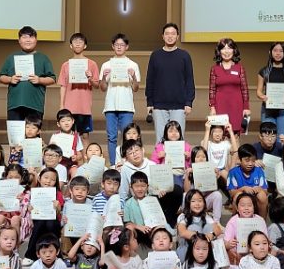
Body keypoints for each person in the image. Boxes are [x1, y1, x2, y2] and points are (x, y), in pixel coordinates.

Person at [145, 23, 195, 140]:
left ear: (177, 36)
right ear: (162, 36)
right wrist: (149, 102)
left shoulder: (184, 56)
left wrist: (189, 102)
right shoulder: (155, 55)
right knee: (160, 139)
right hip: (158, 105)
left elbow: (189, 80)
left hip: (179, 105)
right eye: (167, 34)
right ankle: (160, 159)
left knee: (177, 138)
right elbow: (150, 79)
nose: (170, 36)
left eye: (173, 34)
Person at [0, 25, 56, 121]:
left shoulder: (43, 58)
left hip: (35, 104)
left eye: (31, 37)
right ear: (19, 40)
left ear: (36, 40)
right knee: (15, 135)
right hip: (15, 104)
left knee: (33, 135)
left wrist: (39, 80)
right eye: (24, 37)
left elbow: (52, 79)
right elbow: (1, 77)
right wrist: (10, 79)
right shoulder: (11, 57)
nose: (28, 40)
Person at [99, 33, 140, 165]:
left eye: (122, 45)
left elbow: (135, 88)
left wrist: (133, 77)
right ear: (112, 46)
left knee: (127, 137)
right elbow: (103, 87)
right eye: (117, 45)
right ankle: (113, 164)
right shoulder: (106, 65)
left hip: (127, 106)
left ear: (126, 47)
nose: (119, 47)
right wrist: (104, 78)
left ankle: (127, 163)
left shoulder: (133, 65)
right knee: (111, 137)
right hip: (110, 106)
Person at [58, 32, 100, 148]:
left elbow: (97, 85)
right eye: (75, 42)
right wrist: (62, 105)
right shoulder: (65, 65)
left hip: (84, 107)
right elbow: (63, 85)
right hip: (69, 107)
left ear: (85, 46)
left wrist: (90, 78)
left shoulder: (92, 64)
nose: (77, 44)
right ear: (71, 45)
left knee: (85, 136)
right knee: (68, 135)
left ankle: (86, 163)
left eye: (80, 41)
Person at [208, 38, 250, 133]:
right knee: (220, 134)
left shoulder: (239, 68)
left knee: (235, 135)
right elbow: (212, 90)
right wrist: (212, 107)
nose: (226, 51)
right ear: (219, 51)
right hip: (220, 106)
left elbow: (244, 89)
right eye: (223, 48)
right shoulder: (214, 69)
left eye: (229, 48)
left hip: (237, 106)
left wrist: (246, 107)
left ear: (234, 50)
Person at [257, 41, 284, 141]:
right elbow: (259, 91)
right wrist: (262, 97)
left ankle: (282, 156)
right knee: (268, 138)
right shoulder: (264, 71)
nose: (278, 53)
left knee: (283, 138)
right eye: (275, 50)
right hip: (267, 108)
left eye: (281, 51)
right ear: (270, 52)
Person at [176, 189, 222, 262]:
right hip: (188, 248)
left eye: (200, 201)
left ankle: (213, 263)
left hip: (203, 248)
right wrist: (201, 236)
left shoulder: (206, 216)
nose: (197, 204)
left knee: (208, 227)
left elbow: (218, 230)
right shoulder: (183, 216)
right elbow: (182, 232)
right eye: (193, 201)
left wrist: (211, 234)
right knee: (193, 227)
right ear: (188, 203)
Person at [223, 193, 268, 264]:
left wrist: (268, 243)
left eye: (249, 205)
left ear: (254, 207)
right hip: (238, 253)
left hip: (256, 252)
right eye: (242, 205)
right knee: (229, 251)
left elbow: (265, 239)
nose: (246, 208)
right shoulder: (233, 221)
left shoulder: (260, 220)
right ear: (237, 208)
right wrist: (229, 244)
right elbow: (225, 243)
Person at [228, 144, 269, 217]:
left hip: (255, 201)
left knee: (262, 195)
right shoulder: (233, 172)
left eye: (253, 161)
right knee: (237, 195)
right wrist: (243, 189)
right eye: (247, 160)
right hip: (241, 200)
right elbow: (231, 193)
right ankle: (236, 222)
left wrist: (259, 189)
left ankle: (262, 222)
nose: (250, 164)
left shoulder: (259, 171)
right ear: (240, 160)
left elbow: (265, 191)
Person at [52, 108, 84, 177]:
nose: (66, 123)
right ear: (58, 124)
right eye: (63, 121)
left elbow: (80, 154)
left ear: (73, 121)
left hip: (71, 164)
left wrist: (77, 157)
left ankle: (71, 186)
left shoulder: (76, 136)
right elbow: (50, 151)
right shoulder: (55, 136)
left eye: (68, 120)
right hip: (58, 164)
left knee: (75, 171)